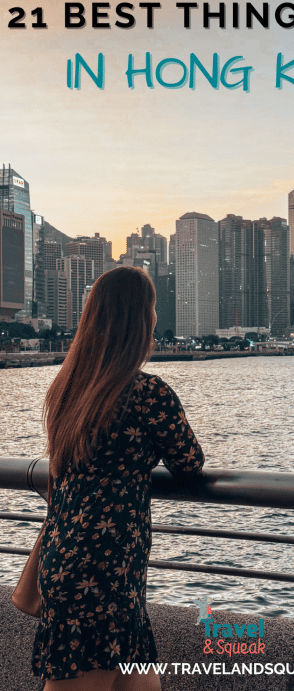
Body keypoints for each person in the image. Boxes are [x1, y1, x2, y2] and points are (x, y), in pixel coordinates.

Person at [30, 267, 205, 690]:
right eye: (152, 310)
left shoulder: (67, 389)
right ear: (139, 321)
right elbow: (189, 461)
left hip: (78, 563)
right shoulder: (149, 394)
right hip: (104, 577)